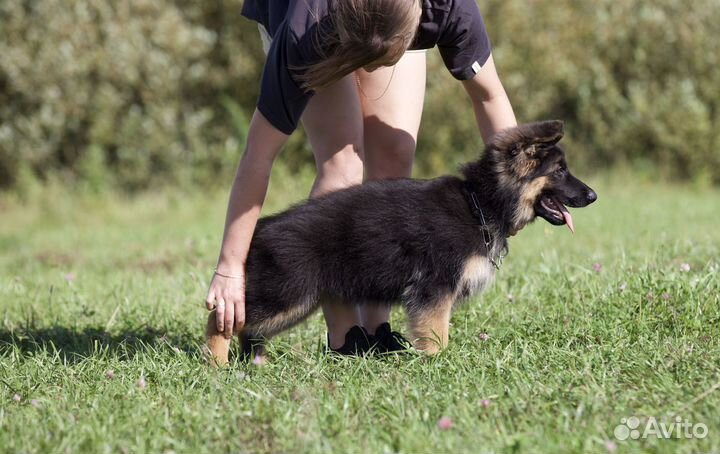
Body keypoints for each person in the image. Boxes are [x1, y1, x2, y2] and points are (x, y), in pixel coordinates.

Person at [204, 0, 517, 355]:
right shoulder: (304, 28)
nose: (368, 71)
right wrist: (230, 266)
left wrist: (513, 192)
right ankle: (345, 336)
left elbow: (488, 96)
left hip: (378, 23)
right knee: (343, 166)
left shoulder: (449, 6)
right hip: (320, 26)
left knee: (395, 151)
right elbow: (258, 155)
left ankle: (376, 326)